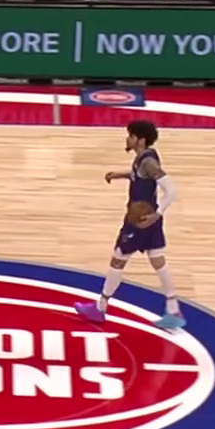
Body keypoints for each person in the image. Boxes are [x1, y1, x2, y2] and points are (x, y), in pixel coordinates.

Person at [73, 119, 185, 331]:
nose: (127, 139)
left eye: (131, 136)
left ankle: (100, 307)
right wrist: (120, 175)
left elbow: (171, 190)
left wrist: (158, 213)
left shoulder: (148, 162)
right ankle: (174, 310)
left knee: (118, 259)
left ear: (140, 140)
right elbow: (140, 176)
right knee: (158, 260)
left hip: (139, 221)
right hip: (148, 220)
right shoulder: (145, 157)